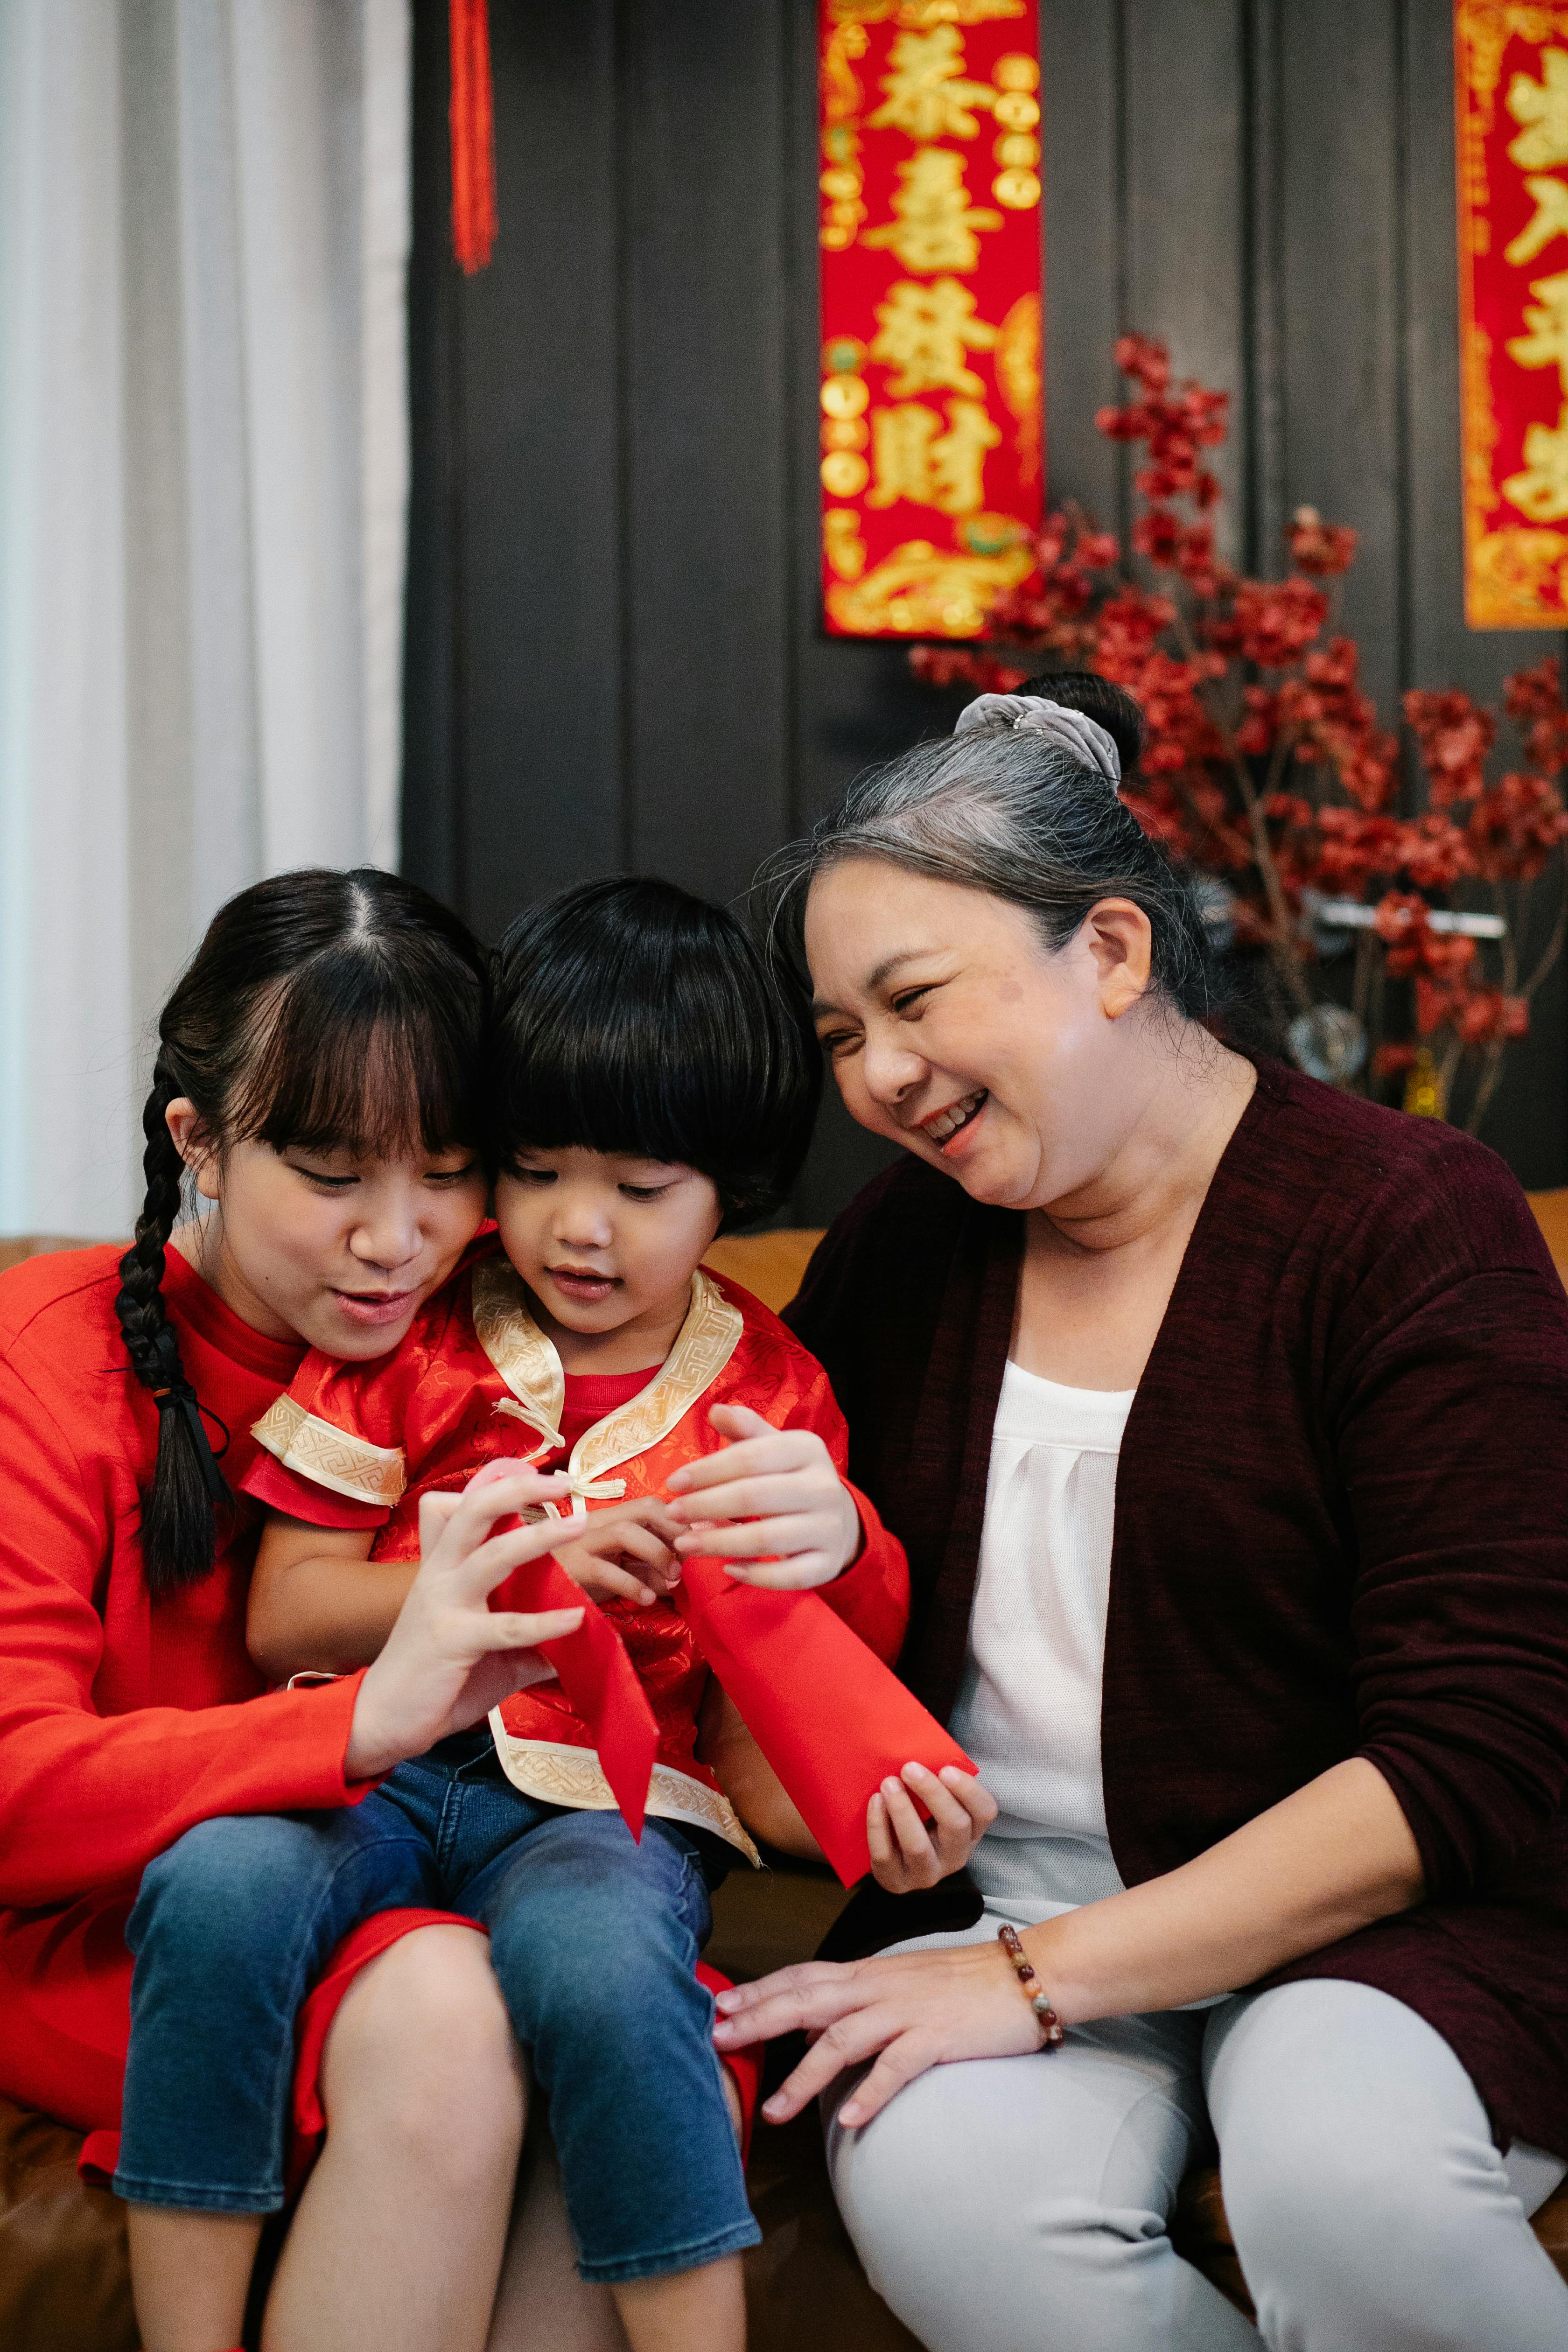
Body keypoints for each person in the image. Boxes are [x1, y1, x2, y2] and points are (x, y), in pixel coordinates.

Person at [699, 679, 1568, 2352]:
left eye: (912, 1000)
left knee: (1340, 2158)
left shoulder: (1405, 1222)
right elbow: (789, 1707)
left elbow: (1476, 1753)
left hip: (1389, 1930)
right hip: (1002, 1910)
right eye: (838, 1037)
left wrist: (1036, 1980)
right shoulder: (901, 1252)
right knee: (940, 2181)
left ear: (1108, 952)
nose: (879, 1075)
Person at [126, 877, 947, 2352]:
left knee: (601, 1966)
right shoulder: (425, 1327)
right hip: (375, 1769)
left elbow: (795, 1702)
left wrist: (873, 1737)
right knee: (223, 1877)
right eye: (536, 1170)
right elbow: (283, 1617)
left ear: (733, 1194)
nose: (579, 1228)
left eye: (641, 1192)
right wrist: (519, 1571)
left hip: (608, 1813)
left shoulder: (769, 1395)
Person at [0, 868, 601, 2352]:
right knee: (455, 2009)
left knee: (612, 2024)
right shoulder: (47, 1362)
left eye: (448, 1168)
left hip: (418, 1884)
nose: (398, 1237)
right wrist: (359, 1722)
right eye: (332, 1176)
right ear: (196, 1139)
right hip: (111, 1931)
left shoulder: (530, 1339)